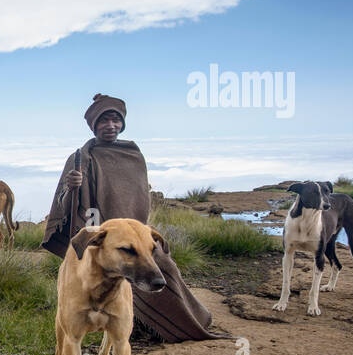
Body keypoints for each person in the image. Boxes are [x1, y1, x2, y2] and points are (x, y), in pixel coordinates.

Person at [42, 93, 220, 342]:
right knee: (113, 270)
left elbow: (138, 196)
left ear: (122, 124)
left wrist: (139, 230)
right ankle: (118, 323)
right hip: (101, 233)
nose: (110, 126)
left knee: (162, 266)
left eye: (115, 121)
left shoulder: (133, 154)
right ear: (94, 125)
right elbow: (65, 205)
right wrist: (72, 188)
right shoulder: (80, 157)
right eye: (104, 121)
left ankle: (186, 322)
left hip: (135, 231)